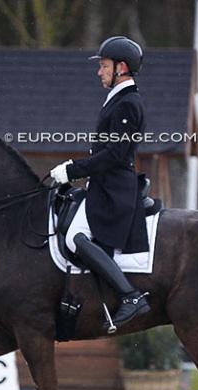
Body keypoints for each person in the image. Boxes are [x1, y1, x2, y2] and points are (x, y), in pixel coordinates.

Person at [50, 36, 150, 332]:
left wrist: (73, 170)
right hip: (105, 184)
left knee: (74, 237)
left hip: (114, 189)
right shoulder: (119, 99)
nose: (99, 72)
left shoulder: (129, 102)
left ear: (121, 67)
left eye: (104, 66)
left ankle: (129, 296)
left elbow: (116, 154)